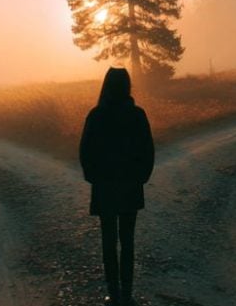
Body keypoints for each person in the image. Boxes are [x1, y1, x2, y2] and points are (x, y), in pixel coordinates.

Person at [79, 67, 155, 305]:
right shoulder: (137, 114)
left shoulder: (96, 114)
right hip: (130, 187)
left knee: (109, 242)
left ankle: (113, 294)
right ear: (127, 86)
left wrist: (94, 178)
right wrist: (141, 177)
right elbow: (148, 151)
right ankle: (128, 293)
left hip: (105, 188)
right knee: (128, 241)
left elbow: (85, 152)